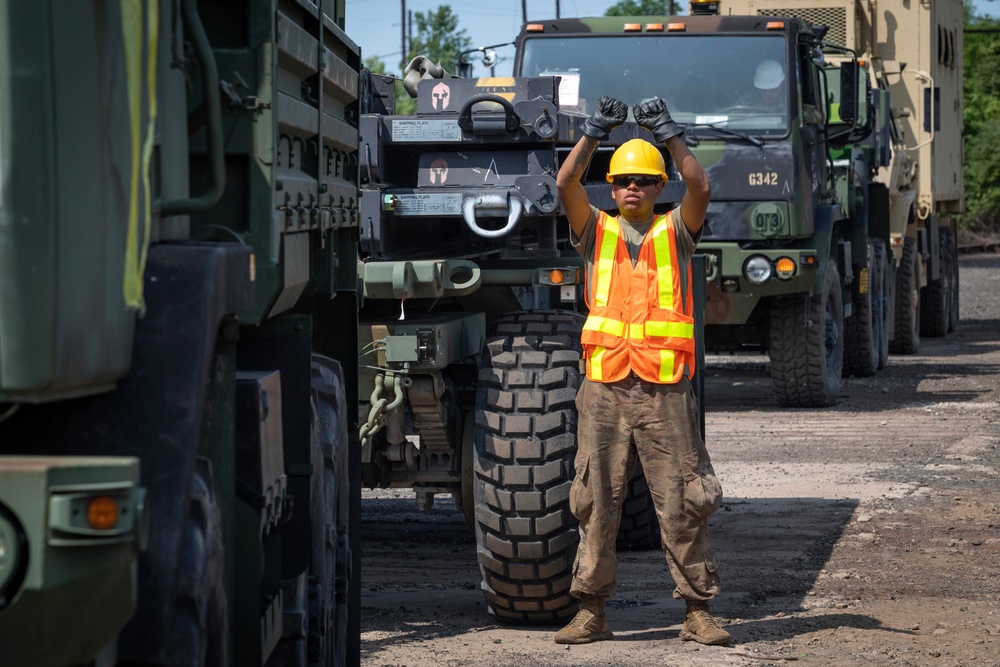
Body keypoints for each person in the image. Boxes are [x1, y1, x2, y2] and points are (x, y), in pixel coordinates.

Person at [552, 96, 731, 647]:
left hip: (663, 393)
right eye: (623, 180)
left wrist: (670, 134)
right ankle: (591, 612)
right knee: (595, 502)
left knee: (683, 499)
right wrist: (593, 130)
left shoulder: (676, 231)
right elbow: (564, 184)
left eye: (644, 181)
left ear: (658, 188)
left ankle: (698, 611)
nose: (633, 188)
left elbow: (700, 187)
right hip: (604, 389)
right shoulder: (595, 232)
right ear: (611, 187)